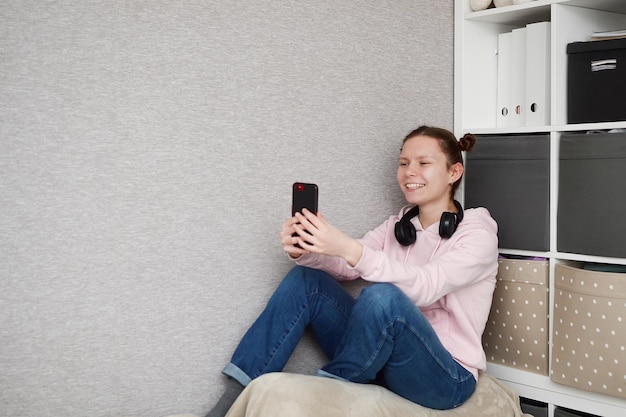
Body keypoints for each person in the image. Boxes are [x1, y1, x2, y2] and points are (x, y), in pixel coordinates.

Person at [205, 125, 498, 417]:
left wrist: (348, 247)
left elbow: (427, 286)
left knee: (382, 298)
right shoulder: (400, 225)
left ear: (453, 172)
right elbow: (348, 265)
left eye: (423, 163)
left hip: (445, 376)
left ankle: (327, 399)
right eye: (404, 163)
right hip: (386, 357)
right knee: (307, 279)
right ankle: (226, 407)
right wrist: (306, 249)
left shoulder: (477, 231)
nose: (410, 172)